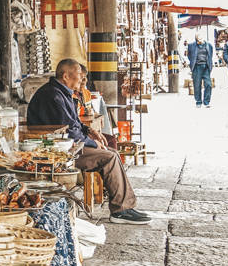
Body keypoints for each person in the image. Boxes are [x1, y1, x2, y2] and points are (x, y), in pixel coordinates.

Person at [26, 59, 150, 224]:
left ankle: (124, 206)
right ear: (65, 76)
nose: (82, 79)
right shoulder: (53, 95)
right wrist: (91, 143)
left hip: (66, 145)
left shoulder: (61, 91)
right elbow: (70, 132)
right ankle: (121, 210)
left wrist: (89, 130)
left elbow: (73, 124)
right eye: (78, 75)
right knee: (109, 157)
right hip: (59, 150)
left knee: (111, 151)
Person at [185, 34, 215, 107]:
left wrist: (209, 64)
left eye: (201, 39)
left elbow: (210, 55)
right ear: (196, 39)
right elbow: (189, 56)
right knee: (197, 85)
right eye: (198, 40)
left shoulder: (209, 45)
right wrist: (193, 63)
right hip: (196, 67)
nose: (200, 41)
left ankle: (206, 102)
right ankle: (198, 102)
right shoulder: (191, 45)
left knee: (208, 84)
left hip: (206, 67)